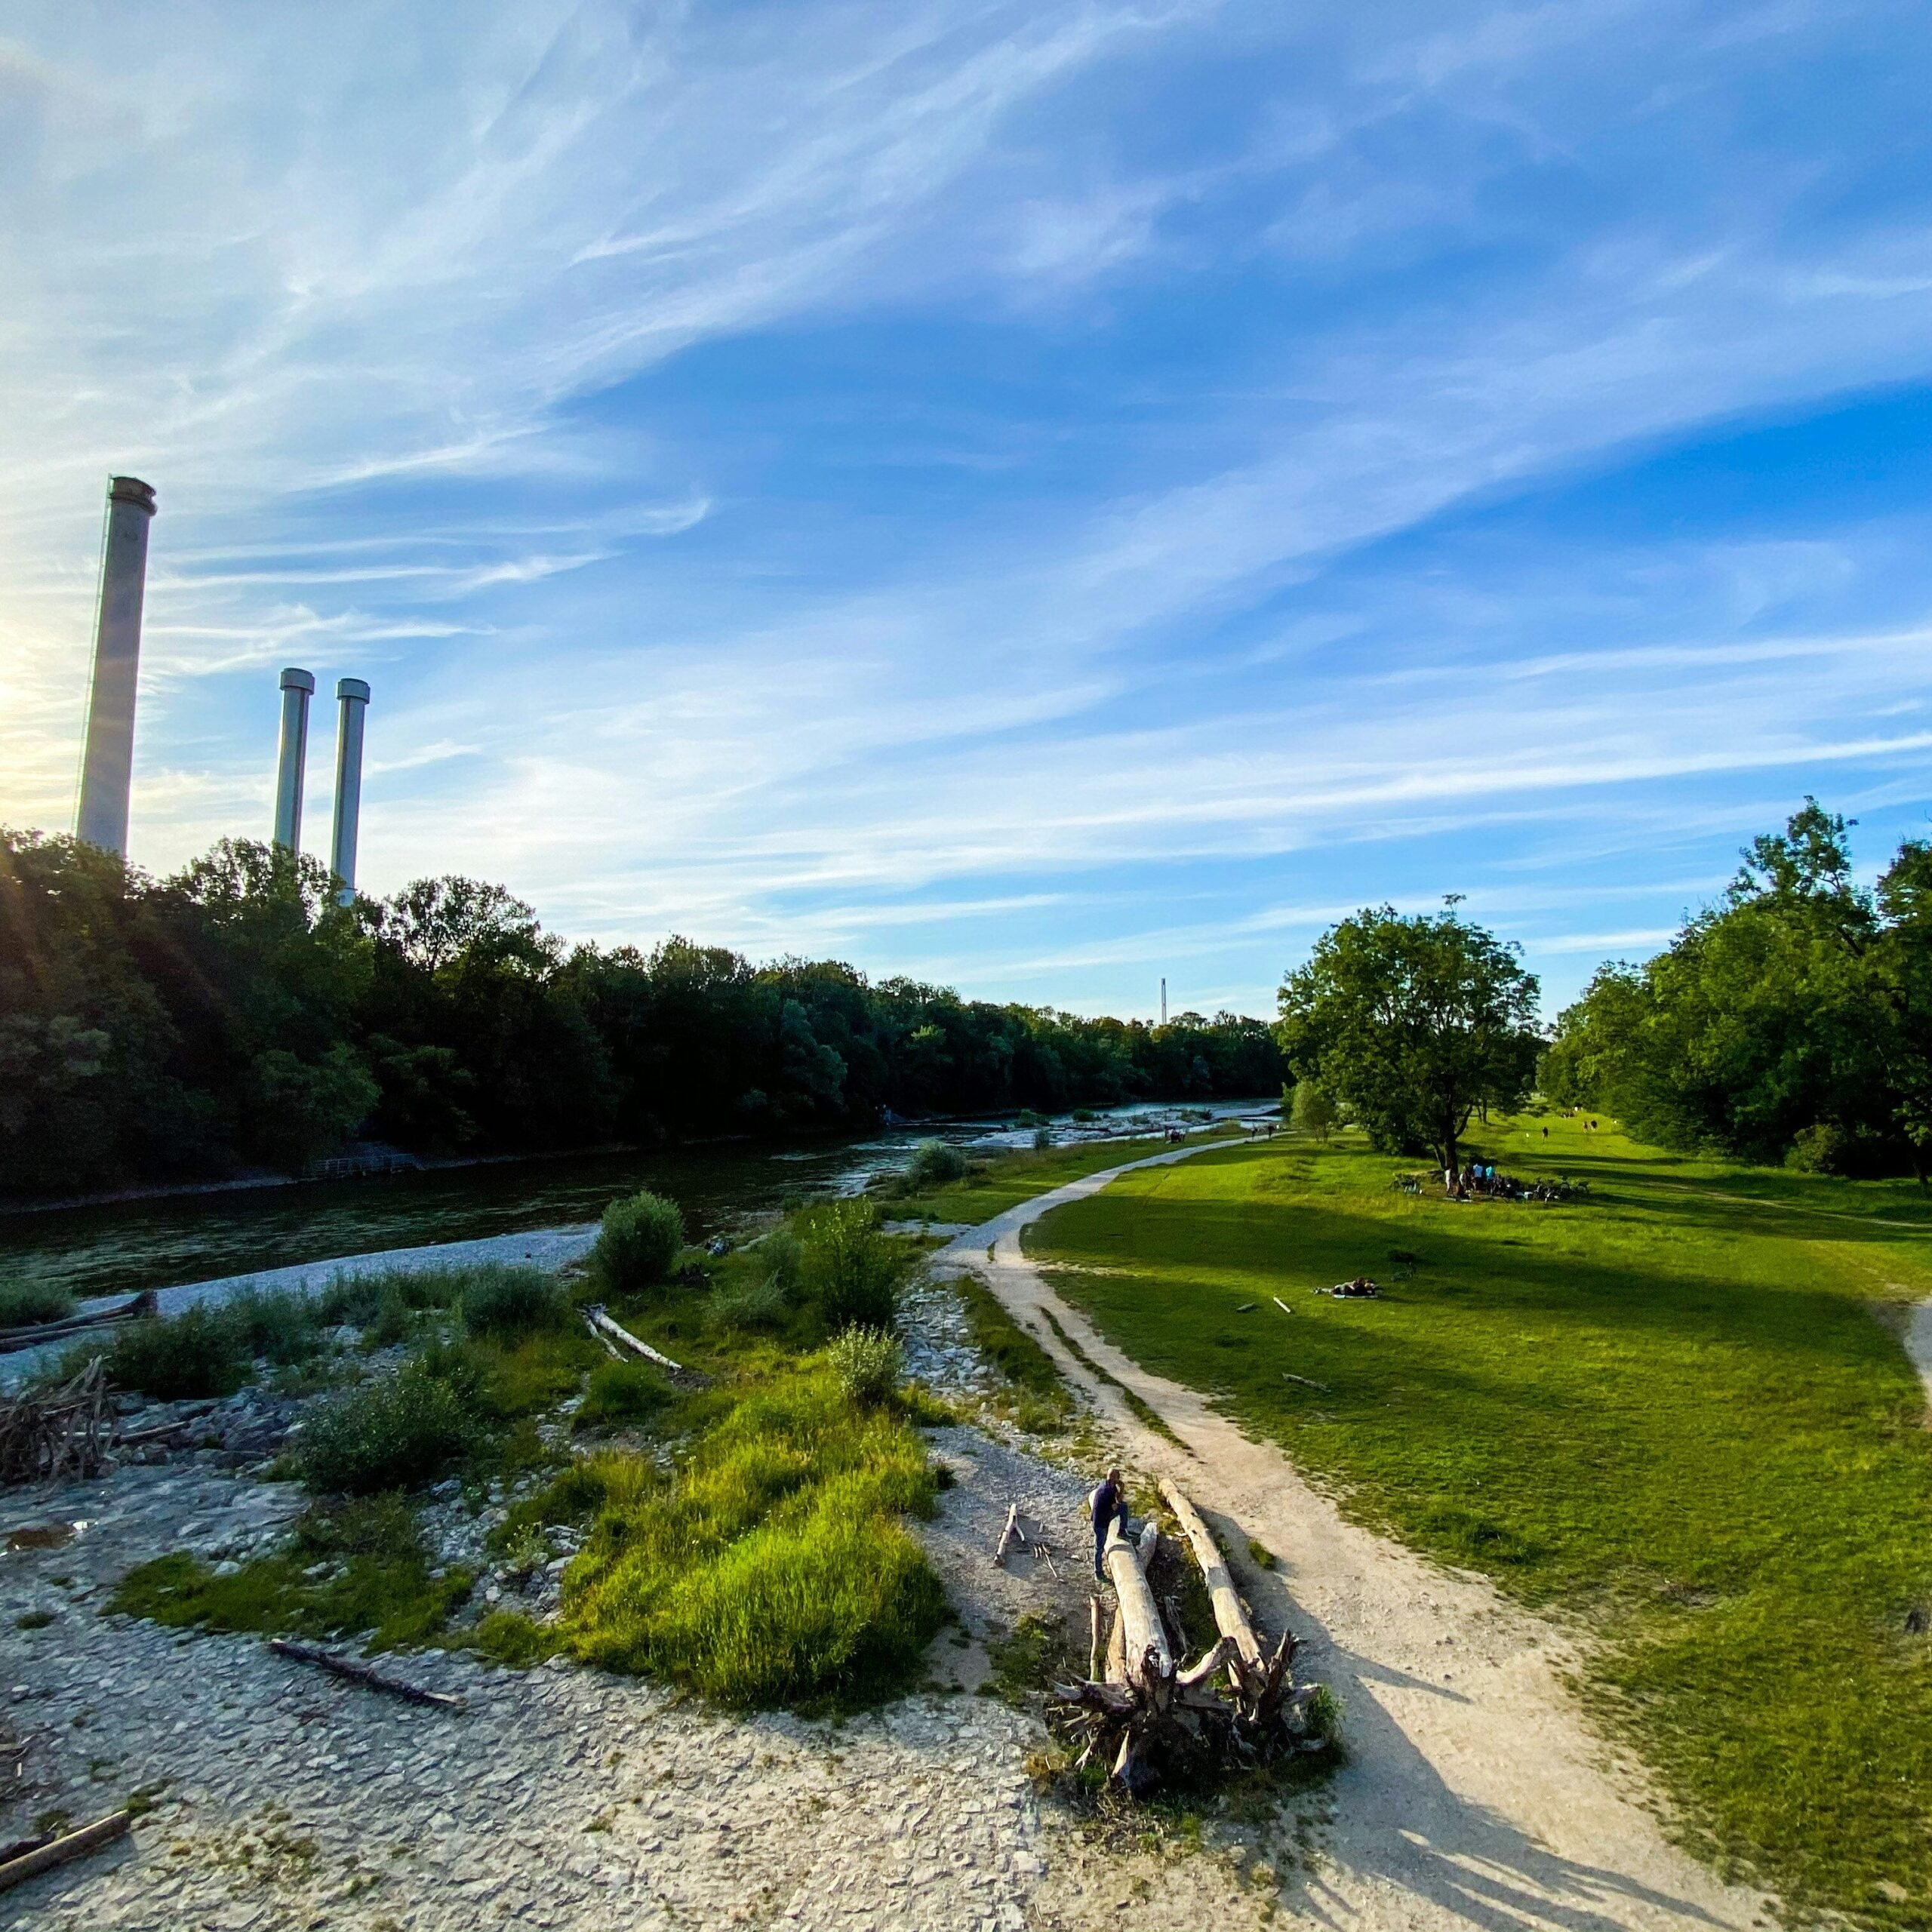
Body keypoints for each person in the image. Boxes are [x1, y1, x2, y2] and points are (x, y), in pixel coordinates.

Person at [1090, 1467, 1127, 1579]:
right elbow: (1115, 1505)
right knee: (1099, 1548)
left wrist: (1120, 1489)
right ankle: (1098, 1573)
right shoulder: (1108, 1491)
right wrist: (1122, 1489)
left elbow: (1118, 1502)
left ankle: (1122, 1531)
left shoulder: (1108, 1485)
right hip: (1100, 1523)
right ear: (1115, 1479)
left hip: (1100, 1518)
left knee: (1124, 1508)